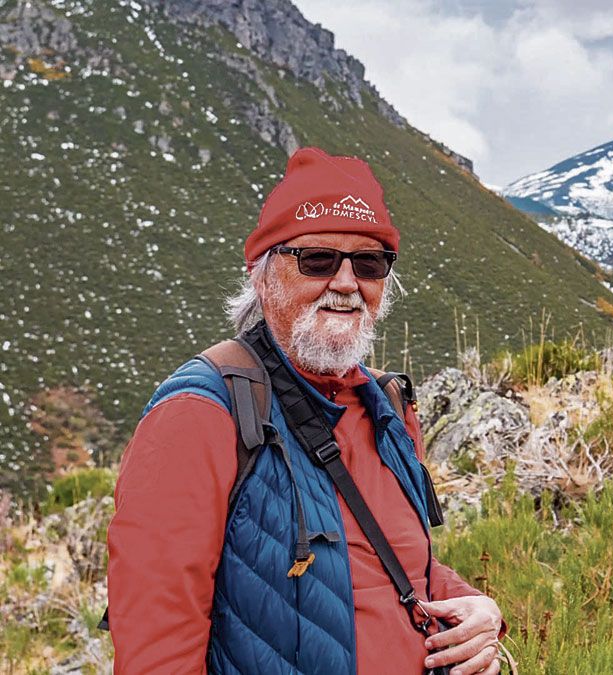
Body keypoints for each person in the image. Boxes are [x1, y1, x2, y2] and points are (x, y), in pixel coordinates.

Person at [106, 147, 505, 674]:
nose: (345, 283)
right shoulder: (201, 413)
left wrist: (478, 609)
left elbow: (386, 560)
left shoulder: (387, 407)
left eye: (368, 263)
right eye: (317, 259)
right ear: (262, 275)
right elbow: (157, 650)